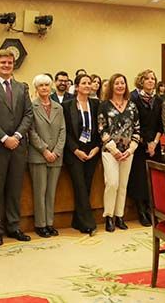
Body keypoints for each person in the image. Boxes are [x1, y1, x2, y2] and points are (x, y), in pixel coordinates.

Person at [0, 49, 34, 245]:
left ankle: (13, 226)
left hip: (19, 146)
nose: (6, 65)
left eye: (9, 63)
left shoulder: (22, 87)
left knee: (15, 187)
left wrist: (17, 136)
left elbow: (28, 114)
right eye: (3, 62)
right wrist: (4, 138)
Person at [98, 73, 140, 232]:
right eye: (117, 83)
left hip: (128, 152)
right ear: (111, 86)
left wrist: (130, 150)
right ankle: (108, 216)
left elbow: (137, 129)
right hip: (110, 152)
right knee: (112, 183)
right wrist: (115, 150)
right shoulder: (104, 106)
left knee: (123, 185)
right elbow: (102, 130)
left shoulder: (132, 106)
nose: (120, 86)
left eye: (123, 83)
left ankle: (119, 216)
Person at [27, 74, 65, 238]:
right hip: (38, 155)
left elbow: (63, 130)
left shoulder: (58, 107)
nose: (44, 88)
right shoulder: (31, 106)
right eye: (41, 85)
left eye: (47, 85)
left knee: (51, 192)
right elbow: (31, 131)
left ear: (51, 87)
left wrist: (56, 151)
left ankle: (49, 223)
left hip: (56, 156)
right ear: (36, 88)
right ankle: (40, 224)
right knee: (40, 191)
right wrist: (44, 150)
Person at [63, 73, 101, 236]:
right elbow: (65, 131)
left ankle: (77, 220)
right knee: (79, 186)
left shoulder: (96, 104)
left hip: (92, 151)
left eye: (89, 83)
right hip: (74, 152)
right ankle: (88, 223)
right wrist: (75, 150)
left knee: (86, 186)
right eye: (84, 83)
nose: (87, 85)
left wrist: (96, 148)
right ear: (77, 87)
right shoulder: (67, 105)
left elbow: (100, 128)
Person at [127, 69, 163, 227]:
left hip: (154, 145)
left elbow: (160, 124)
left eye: (153, 79)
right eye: (147, 79)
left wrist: (154, 142)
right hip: (139, 144)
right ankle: (141, 210)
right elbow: (132, 123)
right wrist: (145, 143)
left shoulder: (158, 99)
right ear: (141, 81)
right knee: (140, 179)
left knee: (154, 178)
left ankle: (151, 209)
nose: (150, 81)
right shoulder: (133, 98)